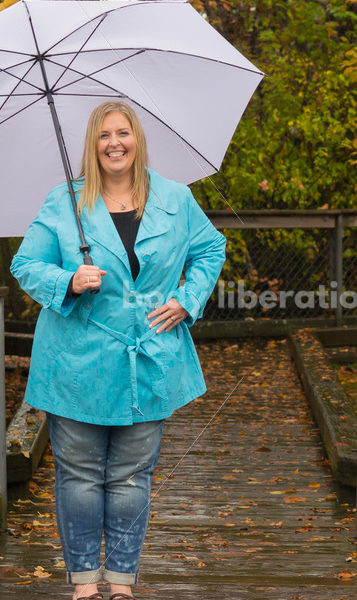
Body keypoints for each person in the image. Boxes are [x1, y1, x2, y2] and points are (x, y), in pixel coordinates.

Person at [10, 101, 227, 600]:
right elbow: (26, 264)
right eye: (104, 135)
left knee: (132, 476)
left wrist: (186, 299)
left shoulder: (174, 198)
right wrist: (69, 278)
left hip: (150, 357)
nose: (114, 143)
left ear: (137, 138)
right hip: (76, 360)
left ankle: (122, 582)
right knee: (80, 474)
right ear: (92, 143)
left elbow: (210, 248)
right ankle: (86, 583)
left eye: (122, 133)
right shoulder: (65, 203)